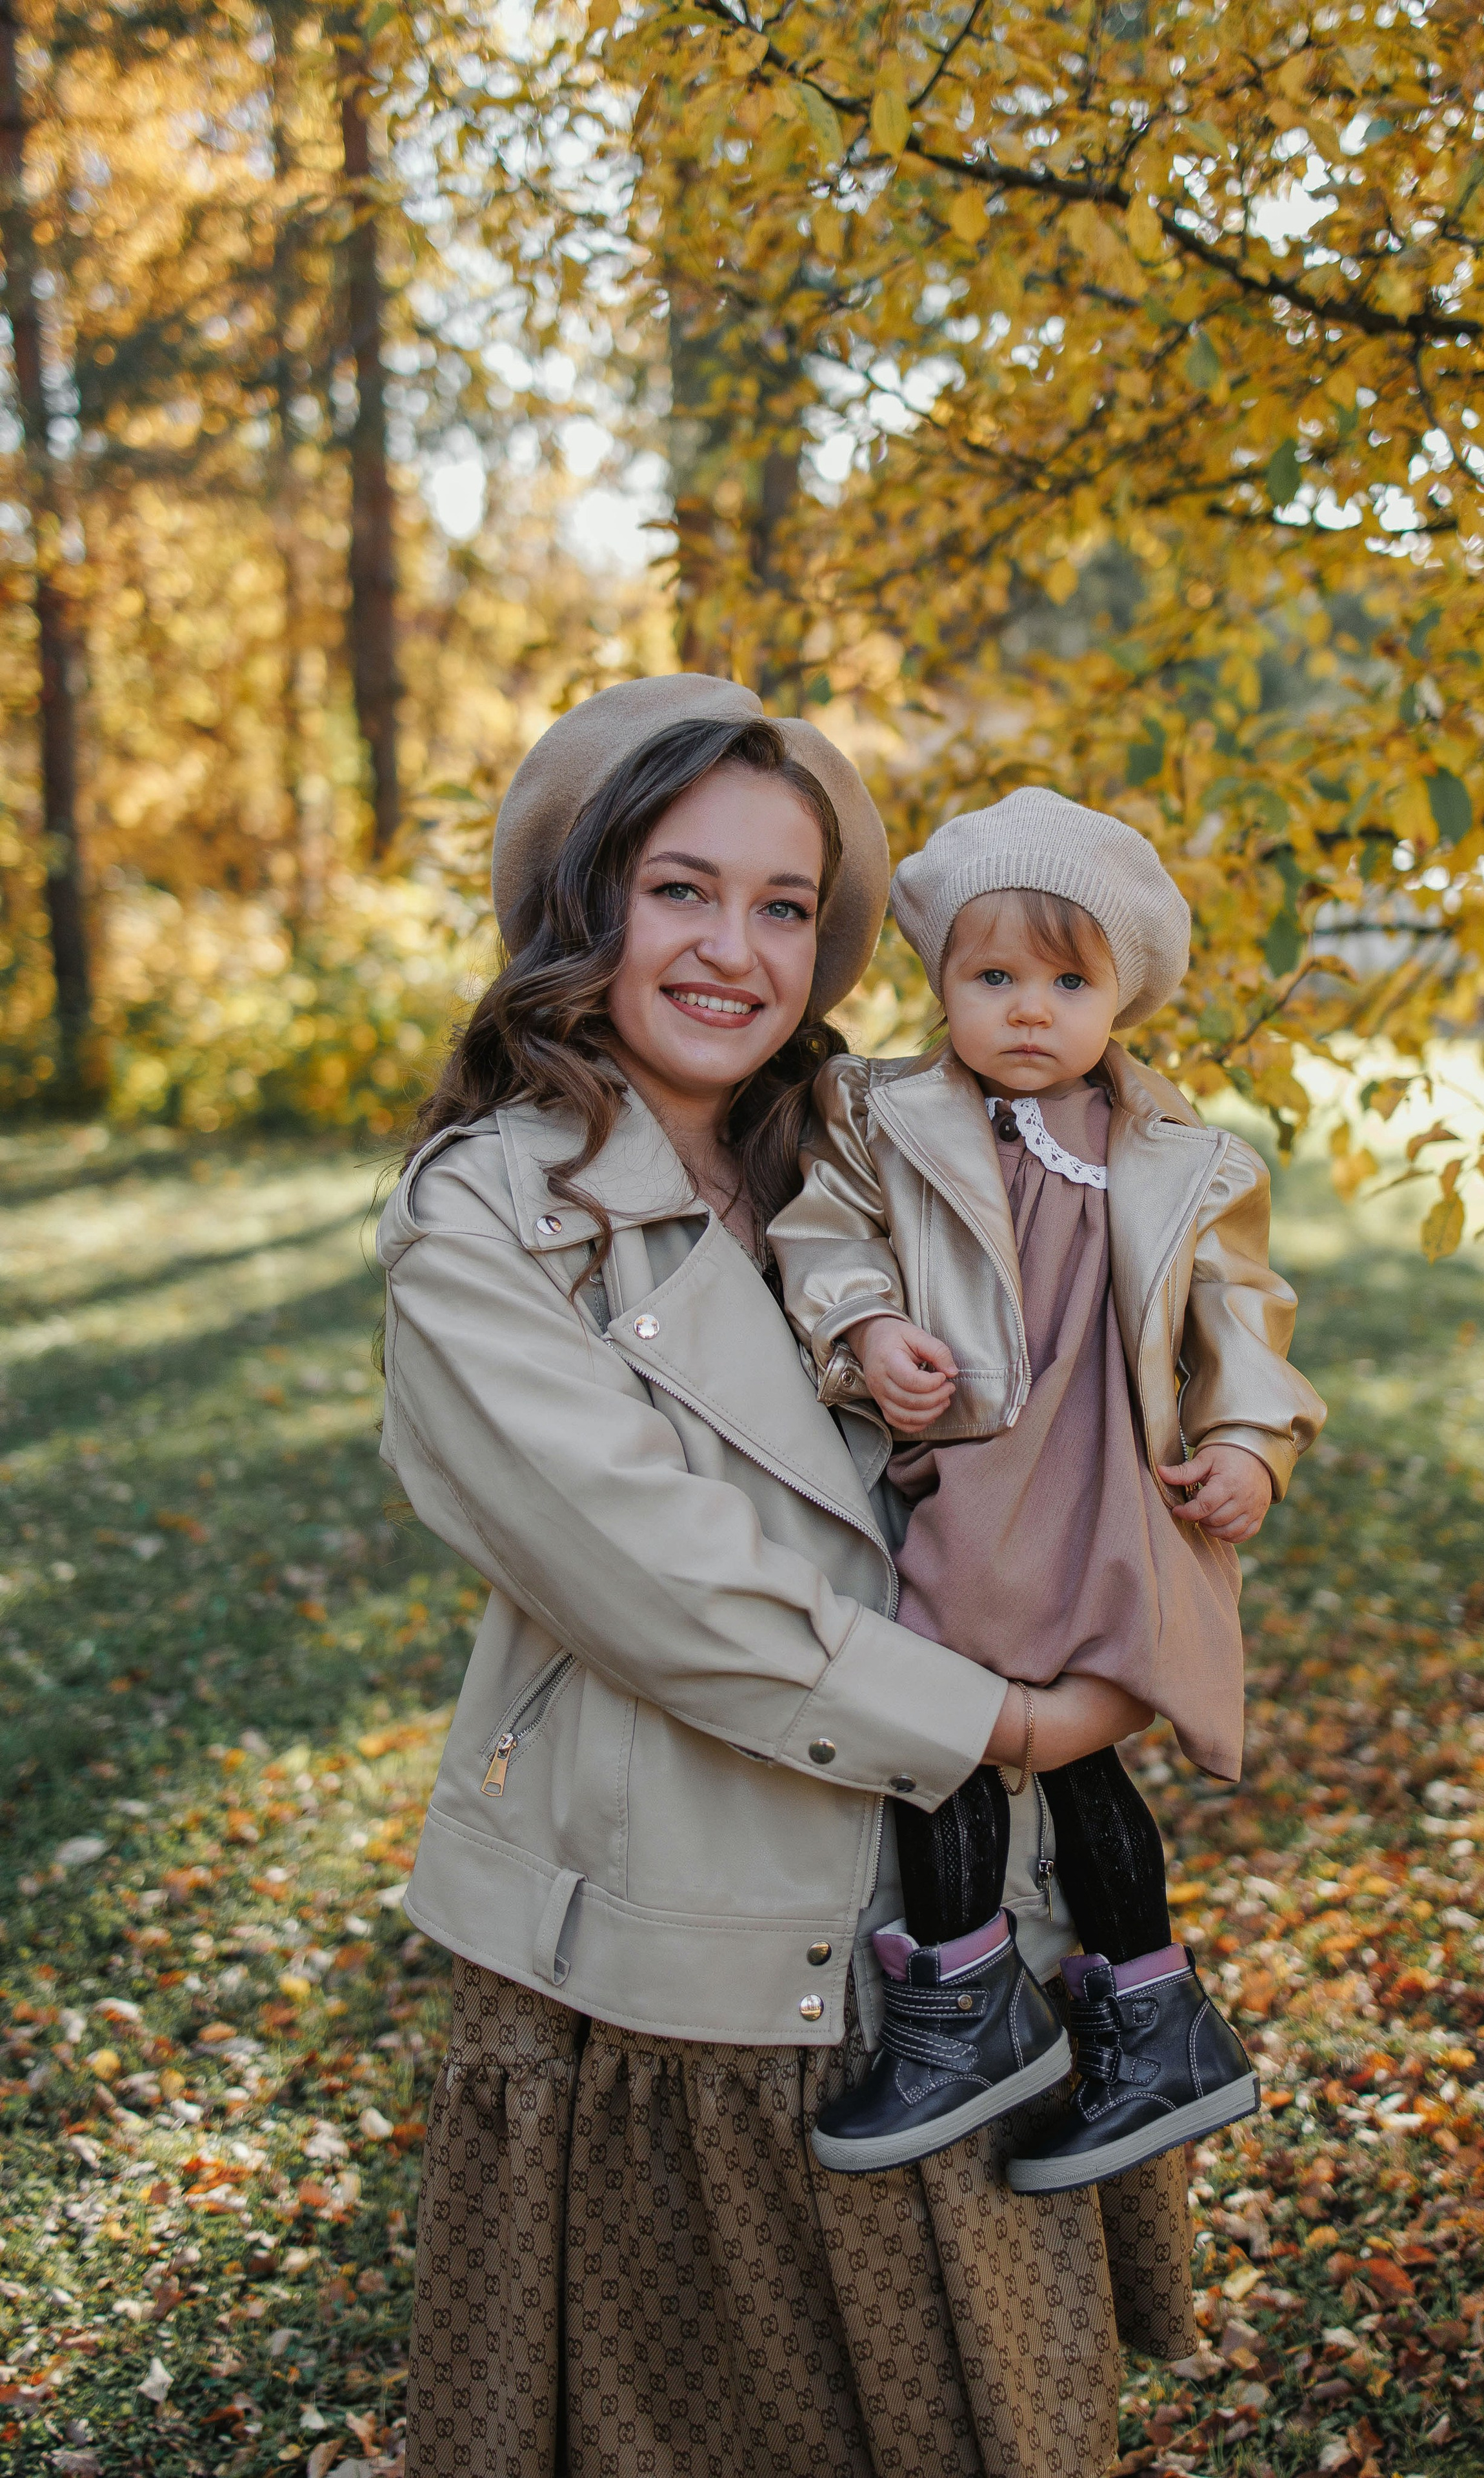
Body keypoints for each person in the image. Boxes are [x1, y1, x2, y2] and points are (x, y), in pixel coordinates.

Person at [379, 681, 1198, 2478]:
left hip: (972, 1918)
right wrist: (1015, 1721)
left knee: (986, 2418)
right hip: (691, 1938)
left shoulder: (897, 1152)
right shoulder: (487, 1224)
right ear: (585, 906)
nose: (735, 952)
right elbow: (676, 1592)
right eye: (681, 891)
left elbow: (1095, 1399)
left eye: (782, 906)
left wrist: (1178, 1534)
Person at [770, 787, 1327, 2191]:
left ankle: (1144, 2009)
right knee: (941, 1717)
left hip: (1115, 1492)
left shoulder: (1176, 1155)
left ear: (1118, 994)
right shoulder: (885, 1121)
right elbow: (823, 1233)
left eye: (1065, 981)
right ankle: (970, 2004)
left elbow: (1238, 1309)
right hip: (979, 1483)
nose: (1027, 1009)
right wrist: (862, 1329)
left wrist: (1250, 1443)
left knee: (1083, 1751)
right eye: (992, 975)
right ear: (941, 983)